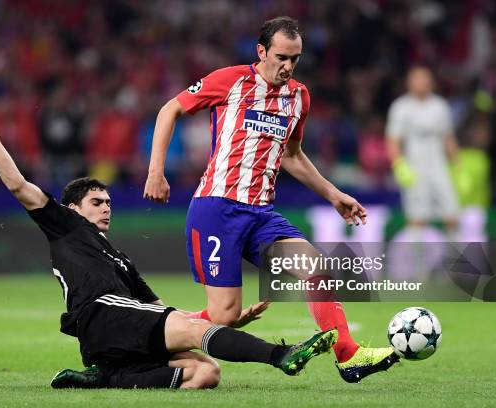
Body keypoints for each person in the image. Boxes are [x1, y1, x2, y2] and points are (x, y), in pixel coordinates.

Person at [0, 95, 338, 390]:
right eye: (96, 203)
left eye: (109, 203)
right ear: (73, 208)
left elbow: (157, 310)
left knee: (206, 373)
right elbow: (17, 184)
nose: (106, 209)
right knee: (193, 336)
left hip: (118, 335)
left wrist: (224, 318)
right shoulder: (64, 226)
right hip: (100, 318)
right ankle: (280, 355)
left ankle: (107, 378)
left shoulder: (120, 259)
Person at [143, 16, 398, 383]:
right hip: (217, 209)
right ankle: (147, 333)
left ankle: (348, 355)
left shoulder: (299, 97)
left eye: (295, 59)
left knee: (317, 269)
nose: (288, 66)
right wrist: (156, 171)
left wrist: (333, 194)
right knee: (224, 317)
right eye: (281, 57)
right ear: (261, 51)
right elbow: (171, 109)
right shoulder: (229, 80)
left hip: (261, 214)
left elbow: (292, 155)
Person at [386, 66, 460, 238]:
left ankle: (455, 261)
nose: (421, 83)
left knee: (452, 215)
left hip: (440, 169)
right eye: (417, 79)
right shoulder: (401, 107)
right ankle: (418, 263)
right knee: (417, 219)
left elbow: (448, 138)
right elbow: (393, 140)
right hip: (414, 170)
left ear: (431, 82)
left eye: (425, 79)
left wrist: (458, 166)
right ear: (409, 83)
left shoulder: (440, 106)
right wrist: (399, 165)